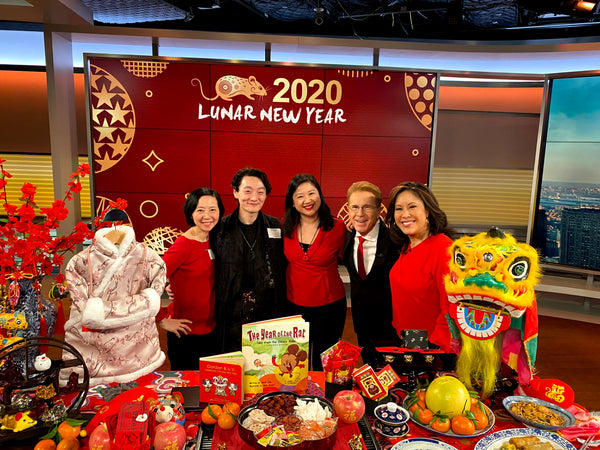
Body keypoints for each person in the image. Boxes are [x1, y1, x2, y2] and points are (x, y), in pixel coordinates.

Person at [63, 209, 166, 385]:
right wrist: (144, 304)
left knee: (137, 399)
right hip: (107, 340)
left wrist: (97, 312)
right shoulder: (81, 261)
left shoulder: (148, 256)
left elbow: (85, 307)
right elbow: (154, 295)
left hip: (136, 344)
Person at [211, 168, 286, 353]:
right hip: (230, 312)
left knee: (264, 364)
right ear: (235, 192)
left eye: (261, 192)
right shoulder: (219, 228)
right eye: (247, 191)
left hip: (267, 309)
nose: (254, 197)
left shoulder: (274, 225)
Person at [282, 174, 346, 371]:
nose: (307, 200)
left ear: (320, 195)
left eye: (312, 193)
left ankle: (323, 400)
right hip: (293, 306)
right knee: (294, 361)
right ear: (292, 201)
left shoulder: (339, 227)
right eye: (300, 195)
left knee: (324, 361)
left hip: (329, 307)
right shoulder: (285, 227)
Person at [384, 182, 454, 353]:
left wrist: (436, 349)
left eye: (412, 206)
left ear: (428, 210)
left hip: (431, 347)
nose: (405, 214)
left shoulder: (443, 249)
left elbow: (451, 307)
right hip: (406, 339)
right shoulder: (407, 245)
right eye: (398, 209)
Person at [159, 188, 224, 370]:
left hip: (213, 332)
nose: (207, 216)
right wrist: (162, 319)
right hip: (186, 334)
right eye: (200, 210)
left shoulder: (215, 239)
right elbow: (148, 280)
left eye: (213, 209)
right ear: (191, 213)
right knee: (187, 392)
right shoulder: (184, 244)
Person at [342, 181, 399, 368]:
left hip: (391, 328)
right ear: (348, 209)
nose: (360, 214)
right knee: (371, 377)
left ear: (378, 209)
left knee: (393, 379)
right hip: (361, 325)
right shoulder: (346, 236)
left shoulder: (395, 240)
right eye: (355, 207)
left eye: (367, 207)